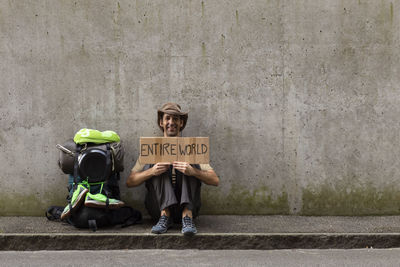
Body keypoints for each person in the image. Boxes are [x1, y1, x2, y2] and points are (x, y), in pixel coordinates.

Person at [126, 103, 219, 236]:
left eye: (175, 119)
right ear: (161, 122)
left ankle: (187, 216)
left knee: (190, 163)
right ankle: (165, 215)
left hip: (188, 208)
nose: (171, 122)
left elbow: (215, 180)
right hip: (158, 210)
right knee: (155, 162)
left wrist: (193, 172)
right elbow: (130, 182)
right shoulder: (151, 149)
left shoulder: (192, 148)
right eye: (167, 118)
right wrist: (151, 172)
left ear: (181, 123)